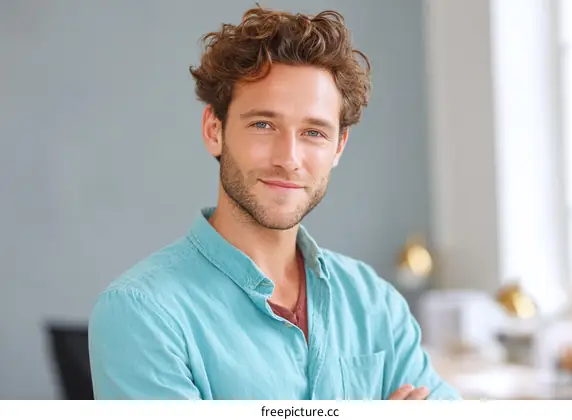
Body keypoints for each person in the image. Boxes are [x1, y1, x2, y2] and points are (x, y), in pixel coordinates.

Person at [88, 6, 461, 400]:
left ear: (339, 147)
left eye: (314, 132)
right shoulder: (140, 313)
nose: (288, 157)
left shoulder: (374, 302)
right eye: (263, 124)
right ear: (215, 131)